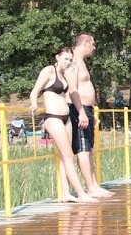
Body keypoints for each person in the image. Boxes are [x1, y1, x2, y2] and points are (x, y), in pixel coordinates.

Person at [29, 47, 97, 203]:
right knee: (68, 156)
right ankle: (81, 193)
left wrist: (81, 112)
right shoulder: (49, 71)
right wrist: (33, 104)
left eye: (70, 59)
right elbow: (35, 91)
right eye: (65, 59)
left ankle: (66, 193)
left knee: (63, 156)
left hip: (66, 117)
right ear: (57, 57)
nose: (68, 62)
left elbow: (73, 92)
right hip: (53, 117)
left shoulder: (66, 74)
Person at [67, 33, 114, 198]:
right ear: (85, 43)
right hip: (78, 109)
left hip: (86, 110)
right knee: (83, 149)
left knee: (89, 148)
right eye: (93, 44)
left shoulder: (80, 62)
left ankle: (94, 184)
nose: (94, 48)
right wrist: (80, 112)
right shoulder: (72, 61)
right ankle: (90, 187)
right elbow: (72, 88)